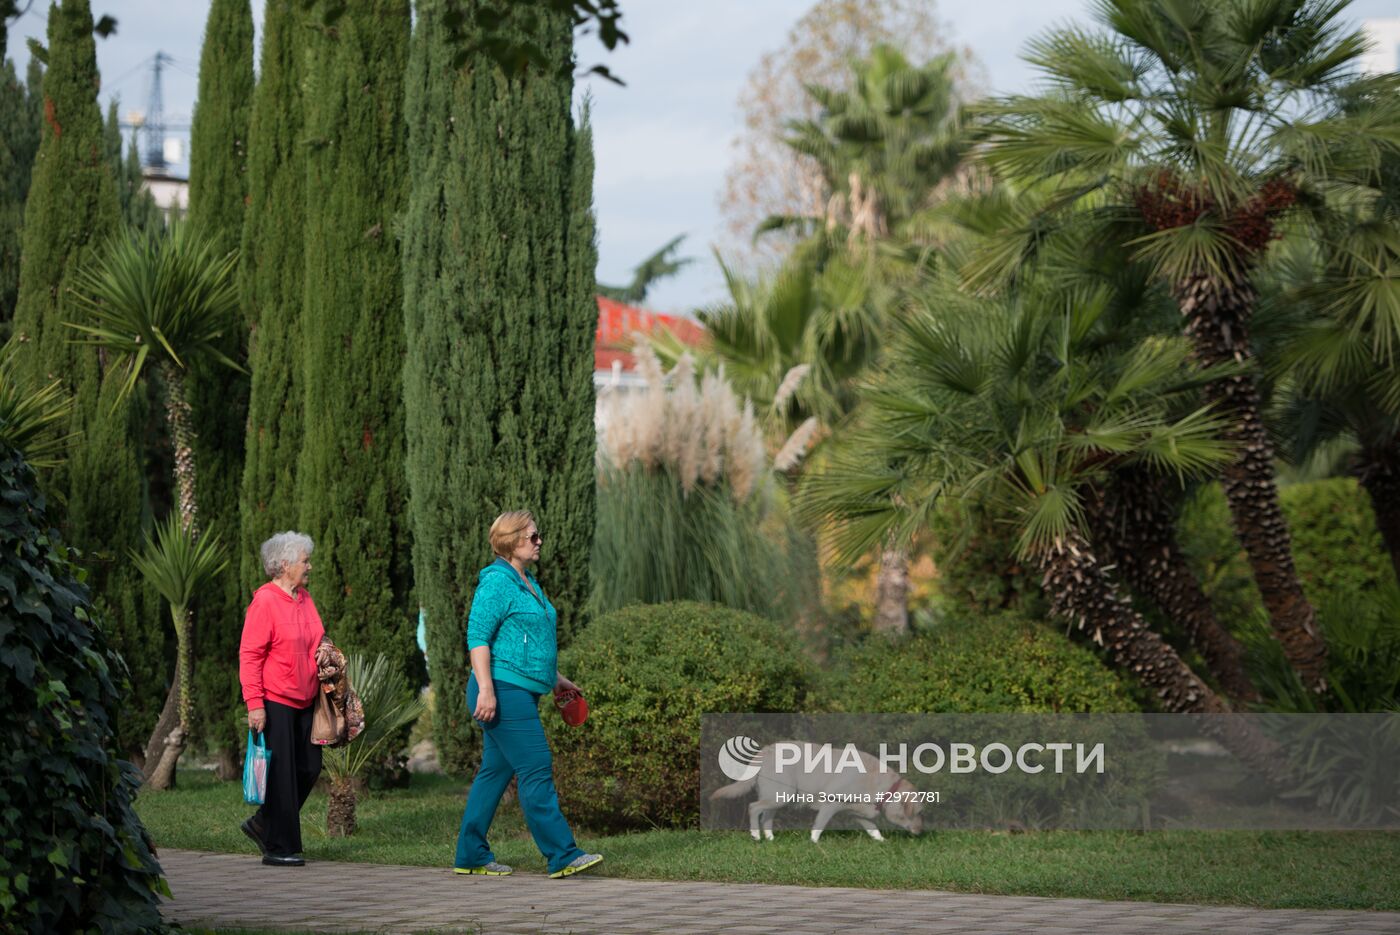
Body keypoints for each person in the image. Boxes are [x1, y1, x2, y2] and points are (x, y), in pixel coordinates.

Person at [454, 511, 603, 879]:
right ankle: (562, 854)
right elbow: (478, 639)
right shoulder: (496, 584)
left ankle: (470, 854)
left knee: (494, 772)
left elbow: (529, 644)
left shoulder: (528, 582)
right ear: (512, 540)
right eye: (533, 537)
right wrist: (486, 691)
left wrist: (557, 680)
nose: (539, 542)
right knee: (536, 766)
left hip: (520, 687)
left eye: (538, 536)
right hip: (502, 690)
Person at [238, 531, 325, 867]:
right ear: (285, 564)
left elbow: (316, 638)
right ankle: (278, 846)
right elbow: (250, 655)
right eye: (305, 561)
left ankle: (263, 822)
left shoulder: (304, 598)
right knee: (283, 776)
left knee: (309, 767)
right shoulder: (264, 602)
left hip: (306, 698)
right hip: (276, 699)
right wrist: (255, 704)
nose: (310, 567)